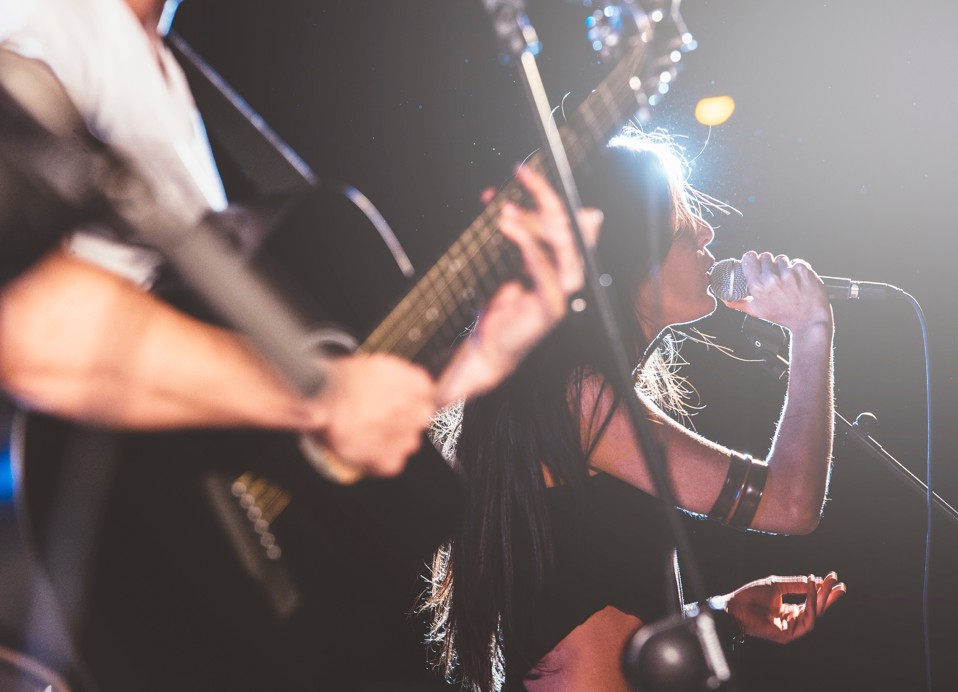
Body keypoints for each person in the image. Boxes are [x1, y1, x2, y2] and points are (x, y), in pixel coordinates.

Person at [0, 0, 599, 480]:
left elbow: (246, 405)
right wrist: (317, 396)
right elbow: (23, 319)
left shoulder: (162, 74)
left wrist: (467, 364)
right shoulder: (47, 22)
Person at [424, 130, 841, 691]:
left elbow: (613, 615)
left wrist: (727, 613)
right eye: (681, 217)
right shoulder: (576, 395)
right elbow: (791, 503)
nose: (706, 231)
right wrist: (811, 331)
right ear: (625, 251)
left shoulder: (576, 394)